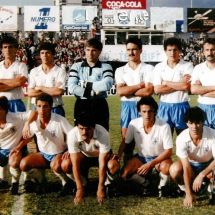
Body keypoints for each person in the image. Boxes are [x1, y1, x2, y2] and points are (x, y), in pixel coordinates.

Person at [117, 96, 173, 197]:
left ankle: (162, 188)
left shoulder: (164, 126)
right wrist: (118, 155)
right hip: (141, 158)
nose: (147, 115)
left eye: (150, 111)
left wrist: (151, 164)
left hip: (159, 159)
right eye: (144, 111)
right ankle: (145, 184)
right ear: (139, 112)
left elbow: (168, 151)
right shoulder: (134, 123)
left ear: (155, 111)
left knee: (166, 167)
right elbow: (125, 141)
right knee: (124, 174)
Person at [19, 93, 73, 194]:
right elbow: (29, 136)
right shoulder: (34, 121)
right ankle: (40, 179)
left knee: (56, 166)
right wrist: (18, 148)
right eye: (39, 106)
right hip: (43, 155)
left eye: (45, 106)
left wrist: (70, 149)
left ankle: (66, 182)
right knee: (23, 164)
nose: (42, 110)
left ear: (51, 106)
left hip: (58, 153)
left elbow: (72, 134)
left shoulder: (59, 120)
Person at [169, 107, 215, 207]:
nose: (194, 127)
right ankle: (184, 189)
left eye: (198, 123)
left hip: (208, 164)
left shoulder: (213, 134)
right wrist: (188, 194)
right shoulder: (181, 138)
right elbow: (186, 167)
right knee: (174, 169)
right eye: (191, 123)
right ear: (186, 123)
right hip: (191, 166)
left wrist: (202, 175)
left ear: (203, 122)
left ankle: (211, 189)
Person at [67, 112, 114, 204]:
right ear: (77, 127)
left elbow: (102, 164)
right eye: (81, 129)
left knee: (113, 165)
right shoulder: (72, 134)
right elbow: (75, 165)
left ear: (94, 127)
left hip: (100, 156)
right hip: (84, 155)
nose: (84, 132)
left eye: (88, 129)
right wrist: (79, 189)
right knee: (66, 164)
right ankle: (83, 183)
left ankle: (107, 184)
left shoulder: (103, 133)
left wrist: (100, 188)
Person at [0, 36, 28, 189]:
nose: (8, 50)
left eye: (11, 47)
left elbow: (20, 82)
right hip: (1, 107)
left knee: (20, 141)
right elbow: (15, 82)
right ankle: (2, 178)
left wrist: (2, 84)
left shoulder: (21, 66)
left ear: (16, 49)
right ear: (2, 49)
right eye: (5, 47)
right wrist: (12, 83)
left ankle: (25, 177)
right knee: (2, 140)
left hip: (16, 104)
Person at [68, 38, 113, 131]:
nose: (90, 53)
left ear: (99, 52)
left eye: (94, 50)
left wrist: (84, 84)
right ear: (84, 50)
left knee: (101, 135)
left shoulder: (106, 66)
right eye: (88, 50)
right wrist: (92, 93)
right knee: (82, 135)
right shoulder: (76, 66)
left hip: (99, 105)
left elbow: (107, 84)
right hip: (81, 104)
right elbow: (72, 87)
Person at [115, 37, 154, 141]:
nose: (131, 52)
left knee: (147, 140)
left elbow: (148, 91)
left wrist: (128, 91)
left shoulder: (149, 68)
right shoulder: (120, 70)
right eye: (128, 50)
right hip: (127, 107)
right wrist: (138, 86)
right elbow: (120, 91)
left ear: (141, 50)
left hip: (144, 107)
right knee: (126, 142)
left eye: (134, 49)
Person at [153, 37, 193, 135]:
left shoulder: (187, 65)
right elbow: (157, 89)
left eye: (175, 50)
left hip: (182, 105)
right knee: (165, 140)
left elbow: (186, 86)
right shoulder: (159, 67)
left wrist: (166, 83)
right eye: (169, 50)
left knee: (184, 138)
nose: (172, 53)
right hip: (164, 106)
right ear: (165, 51)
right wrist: (180, 83)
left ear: (180, 50)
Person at [0, 96, 31, 194]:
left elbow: (34, 113)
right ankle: (2, 181)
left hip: (15, 149)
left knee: (14, 162)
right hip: (2, 149)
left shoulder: (16, 117)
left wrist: (27, 124)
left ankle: (15, 184)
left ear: (5, 110)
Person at [28, 42, 67, 117]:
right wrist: (51, 91)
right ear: (39, 55)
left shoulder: (60, 71)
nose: (44, 55)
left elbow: (58, 91)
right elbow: (30, 93)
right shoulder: (34, 71)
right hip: (37, 109)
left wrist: (40, 88)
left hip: (55, 108)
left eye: (47, 53)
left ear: (53, 55)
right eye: (42, 53)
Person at [191, 38, 215, 128]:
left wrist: (203, 92)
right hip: (202, 108)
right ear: (203, 51)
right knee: (205, 138)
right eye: (207, 50)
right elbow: (194, 90)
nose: (210, 53)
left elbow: (199, 90)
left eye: (212, 49)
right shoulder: (198, 68)